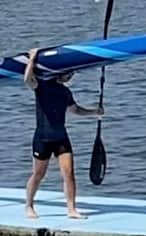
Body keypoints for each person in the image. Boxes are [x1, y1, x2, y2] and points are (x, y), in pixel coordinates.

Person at [24, 49, 103, 219]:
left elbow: (75, 110)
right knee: (38, 174)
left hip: (61, 138)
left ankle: (71, 210)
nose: (70, 77)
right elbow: (27, 80)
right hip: (42, 138)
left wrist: (94, 112)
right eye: (68, 74)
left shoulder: (65, 92)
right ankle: (29, 206)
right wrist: (32, 59)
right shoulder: (42, 87)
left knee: (69, 174)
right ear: (59, 73)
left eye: (71, 74)